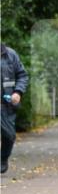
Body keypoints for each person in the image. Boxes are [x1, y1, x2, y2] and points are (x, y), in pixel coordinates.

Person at [1, 44, 29, 174]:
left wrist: (18, 92)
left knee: (9, 135)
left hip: (5, 105)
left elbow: (22, 76)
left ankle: (2, 159)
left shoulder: (10, 54)